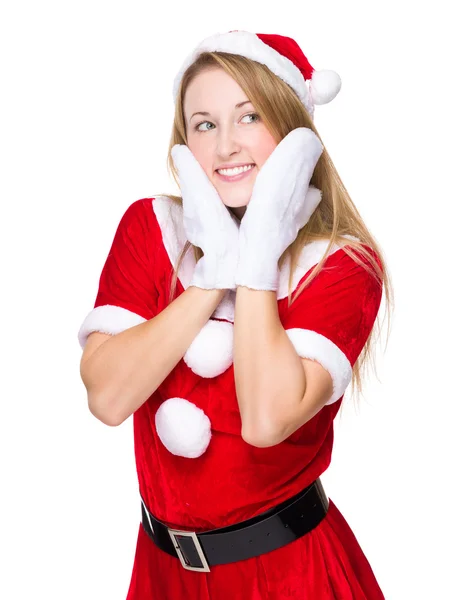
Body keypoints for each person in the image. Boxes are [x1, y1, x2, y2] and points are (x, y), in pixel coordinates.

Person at [78, 30, 393, 599]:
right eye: (205, 124)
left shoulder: (340, 264)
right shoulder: (151, 230)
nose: (225, 146)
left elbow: (267, 420)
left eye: (249, 117)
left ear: (294, 134)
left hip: (288, 575)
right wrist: (211, 273)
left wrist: (257, 260)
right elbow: (107, 397)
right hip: (161, 574)